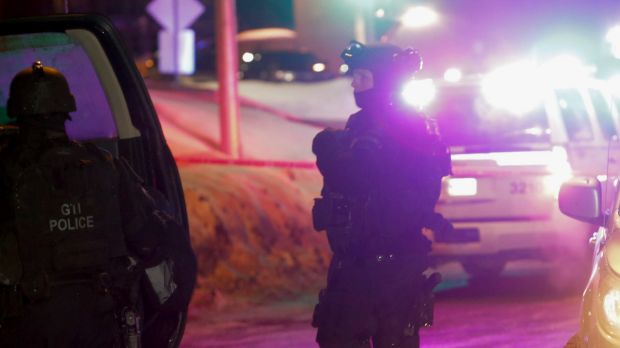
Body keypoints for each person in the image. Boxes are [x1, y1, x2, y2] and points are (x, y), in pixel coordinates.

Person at [0, 61, 196, 347]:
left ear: (17, 113)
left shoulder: (6, 171)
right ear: (66, 111)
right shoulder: (106, 166)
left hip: (27, 325)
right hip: (100, 321)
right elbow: (151, 235)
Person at [311, 41, 453, 348]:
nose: (354, 83)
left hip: (384, 263)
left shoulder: (404, 128)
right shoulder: (368, 123)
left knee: (366, 337)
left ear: (384, 81)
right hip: (364, 259)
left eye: (362, 77)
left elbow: (357, 179)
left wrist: (327, 153)